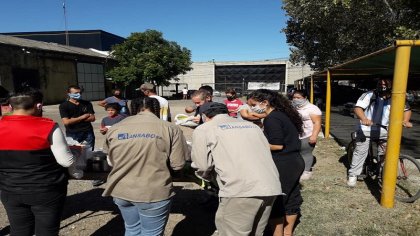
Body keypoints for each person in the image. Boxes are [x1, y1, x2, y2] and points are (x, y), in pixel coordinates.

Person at [191, 102, 282, 236]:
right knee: (256, 232)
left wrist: (208, 178)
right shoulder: (252, 126)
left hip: (239, 189)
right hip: (270, 186)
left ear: (205, 116)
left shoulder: (205, 129)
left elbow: (202, 166)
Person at [102, 97, 187, 236]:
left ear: (132, 109)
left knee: (131, 229)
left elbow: (110, 159)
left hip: (121, 190)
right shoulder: (170, 128)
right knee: (151, 233)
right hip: (153, 192)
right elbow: (178, 165)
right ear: (157, 109)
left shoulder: (116, 127)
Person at [0, 89, 74, 236]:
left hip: (10, 190)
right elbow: (66, 161)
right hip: (45, 190)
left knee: (19, 231)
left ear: (10, 106)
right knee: (46, 231)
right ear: (39, 106)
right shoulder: (48, 126)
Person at [248, 89, 305, 236]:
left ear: (265, 103)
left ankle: (277, 232)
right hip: (294, 161)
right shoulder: (281, 115)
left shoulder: (272, 119)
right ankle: (287, 232)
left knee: (277, 199)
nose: (252, 108)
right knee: (292, 197)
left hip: (283, 162)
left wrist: (255, 144)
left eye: (253, 105)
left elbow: (277, 145)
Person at [347, 79, 412, 187]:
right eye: (380, 83)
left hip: (385, 131)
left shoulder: (397, 97)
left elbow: (407, 110)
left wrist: (405, 120)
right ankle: (353, 174)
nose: (382, 85)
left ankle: (382, 175)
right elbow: (358, 108)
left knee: (386, 154)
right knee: (361, 152)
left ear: (391, 84)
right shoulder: (369, 95)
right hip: (366, 129)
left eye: (385, 83)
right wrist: (364, 118)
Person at [59, 85, 101, 186]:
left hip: (88, 132)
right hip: (73, 133)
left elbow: (92, 118)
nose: (78, 95)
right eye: (75, 93)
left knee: (89, 154)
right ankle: (72, 174)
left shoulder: (87, 103)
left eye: (79, 93)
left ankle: (93, 176)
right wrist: (83, 116)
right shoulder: (64, 106)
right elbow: (66, 122)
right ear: (68, 94)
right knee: (73, 154)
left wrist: (74, 119)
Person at [291, 90, 322, 181]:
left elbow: (317, 123)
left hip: (307, 133)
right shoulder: (293, 107)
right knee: (296, 152)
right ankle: (297, 168)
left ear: (305, 98)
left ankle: (306, 171)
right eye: (294, 97)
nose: (296, 99)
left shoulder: (312, 108)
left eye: (298, 98)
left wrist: (314, 136)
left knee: (306, 152)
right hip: (296, 133)